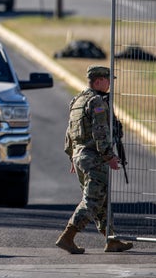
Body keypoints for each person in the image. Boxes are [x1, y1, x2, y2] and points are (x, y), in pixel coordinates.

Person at [56, 65, 133, 254]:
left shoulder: (78, 100)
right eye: (108, 80)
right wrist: (109, 156)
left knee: (102, 201)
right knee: (92, 200)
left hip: (80, 157)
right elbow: (100, 133)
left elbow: (70, 133)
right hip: (94, 158)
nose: (110, 84)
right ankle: (68, 236)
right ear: (98, 81)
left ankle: (112, 240)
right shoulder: (97, 102)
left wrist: (71, 157)